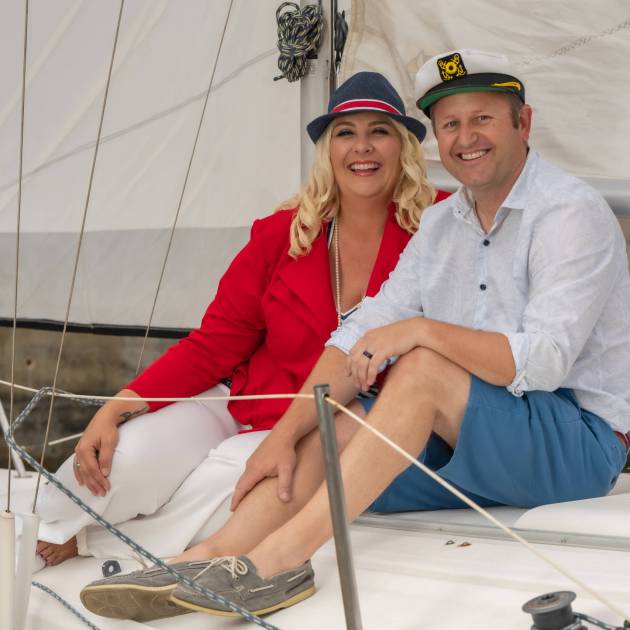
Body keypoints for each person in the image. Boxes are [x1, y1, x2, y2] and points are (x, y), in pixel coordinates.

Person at [80, 48, 630, 620]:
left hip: (576, 443)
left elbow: (543, 361)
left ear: (523, 122)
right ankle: (208, 556)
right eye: (450, 124)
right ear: (437, 137)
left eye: (483, 118)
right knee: (333, 422)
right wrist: (283, 435)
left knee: (418, 367)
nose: (466, 137)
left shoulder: (570, 214)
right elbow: (360, 333)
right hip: (483, 441)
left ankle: (279, 565)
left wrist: (419, 331)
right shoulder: (443, 224)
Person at [35, 71, 445, 569]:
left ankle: (92, 544)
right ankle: (45, 527)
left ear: (402, 145)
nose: (363, 147)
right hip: (244, 403)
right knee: (128, 458)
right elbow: (213, 345)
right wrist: (120, 404)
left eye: (379, 130)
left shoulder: (439, 230)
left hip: (333, 429)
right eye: (345, 132)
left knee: (232, 489)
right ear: (326, 149)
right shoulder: (281, 234)